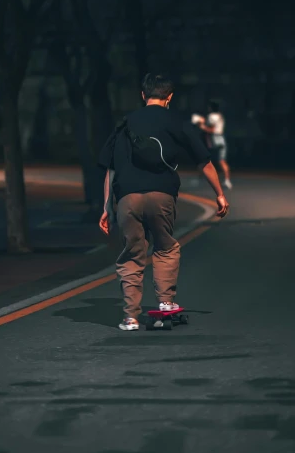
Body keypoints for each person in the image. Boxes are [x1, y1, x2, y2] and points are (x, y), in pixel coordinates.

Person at [98, 73, 230, 331]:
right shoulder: (176, 121)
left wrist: (106, 207)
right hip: (161, 196)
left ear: (143, 95)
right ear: (169, 97)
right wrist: (219, 194)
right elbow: (203, 161)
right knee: (165, 247)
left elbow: (110, 169)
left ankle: (130, 317)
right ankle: (165, 303)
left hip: (127, 198)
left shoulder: (125, 124)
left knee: (132, 255)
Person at [195, 101, 233, 190]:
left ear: (211, 108)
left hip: (214, 140)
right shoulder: (221, 116)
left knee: (204, 158)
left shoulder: (211, 116)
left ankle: (202, 177)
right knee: (222, 161)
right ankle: (227, 181)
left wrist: (201, 126)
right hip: (221, 139)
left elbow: (211, 130)